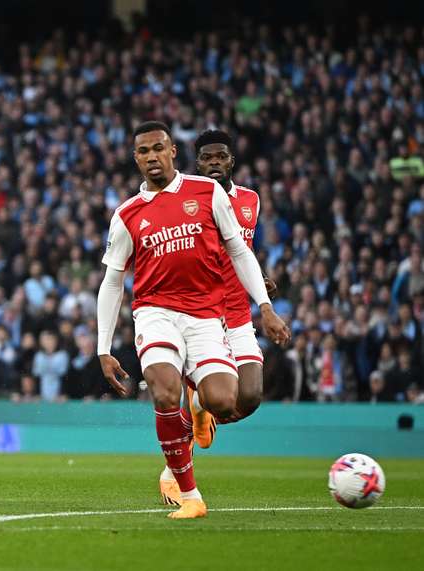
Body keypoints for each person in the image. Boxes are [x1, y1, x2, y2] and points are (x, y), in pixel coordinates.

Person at [96, 122, 290, 519]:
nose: (152, 157)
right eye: (143, 151)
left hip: (208, 315)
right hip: (156, 314)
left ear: (172, 152)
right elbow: (112, 281)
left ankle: (199, 407)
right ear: (136, 159)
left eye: (159, 149)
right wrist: (102, 347)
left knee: (231, 399)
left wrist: (265, 305)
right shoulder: (127, 214)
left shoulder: (209, 193)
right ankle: (190, 495)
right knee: (164, 391)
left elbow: (239, 250)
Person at [157, 129, 278, 505]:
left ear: (231, 161)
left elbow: (244, 250)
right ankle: (177, 463)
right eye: (207, 158)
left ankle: (196, 410)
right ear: (196, 162)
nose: (214, 163)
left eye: (220, 157)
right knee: (221, 397)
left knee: (252, 396)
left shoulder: (250, 201)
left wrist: (259, 284)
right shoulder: (188, 198)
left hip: (239, 312)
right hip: (203, 312)